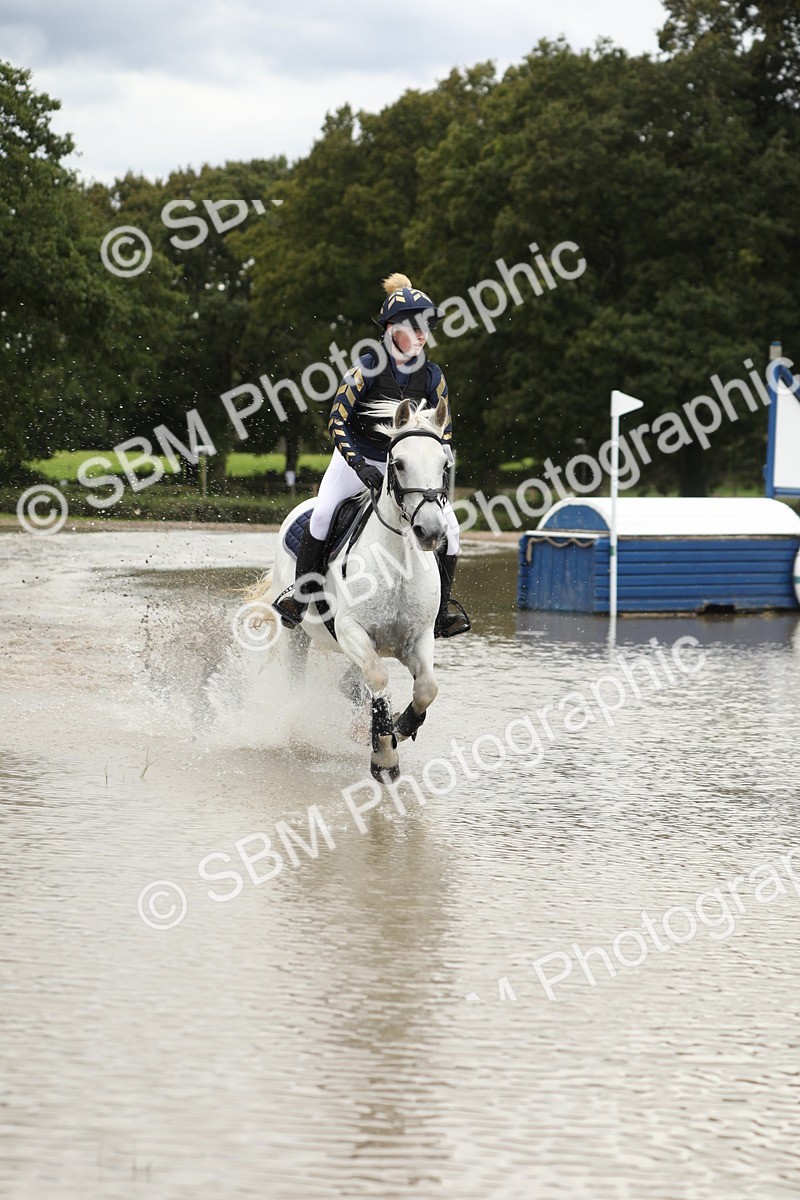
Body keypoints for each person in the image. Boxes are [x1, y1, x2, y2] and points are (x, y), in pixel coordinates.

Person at [273, 273, 470, 637]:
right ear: (393, 329)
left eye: (427, 326)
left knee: (452, 530)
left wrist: (437, 466)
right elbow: (336, 421)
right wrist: (361, 467)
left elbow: (444, 430)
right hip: (356, 458)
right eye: (415, 326)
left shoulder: (433, 375)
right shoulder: (366, 369)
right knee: (323, 514)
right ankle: (300, 597)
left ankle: (442, 613)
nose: (423, 333)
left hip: (408, 470)